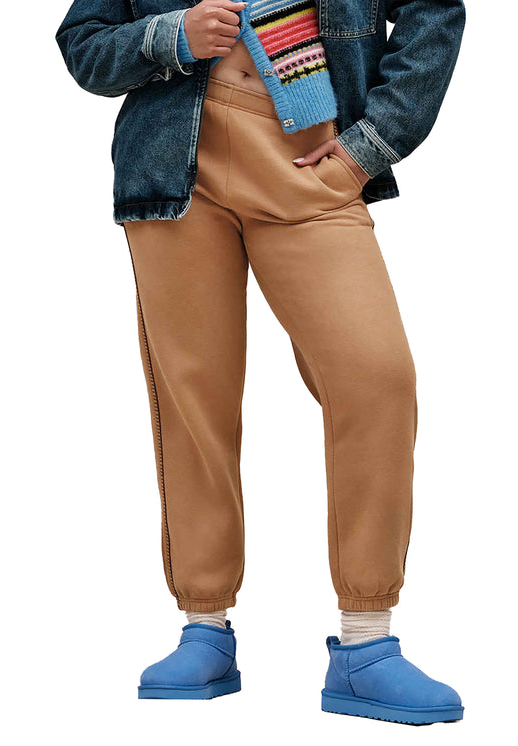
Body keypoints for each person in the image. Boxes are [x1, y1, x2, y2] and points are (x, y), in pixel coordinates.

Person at [56, 0, 466, 724]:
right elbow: (84, 45)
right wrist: (170, 35)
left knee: (377, 378)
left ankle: (366, 641)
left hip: (310, 159)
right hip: (174, 164)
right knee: (195, 398)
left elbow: (433, 12)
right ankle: (204, 625)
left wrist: (371, 144)